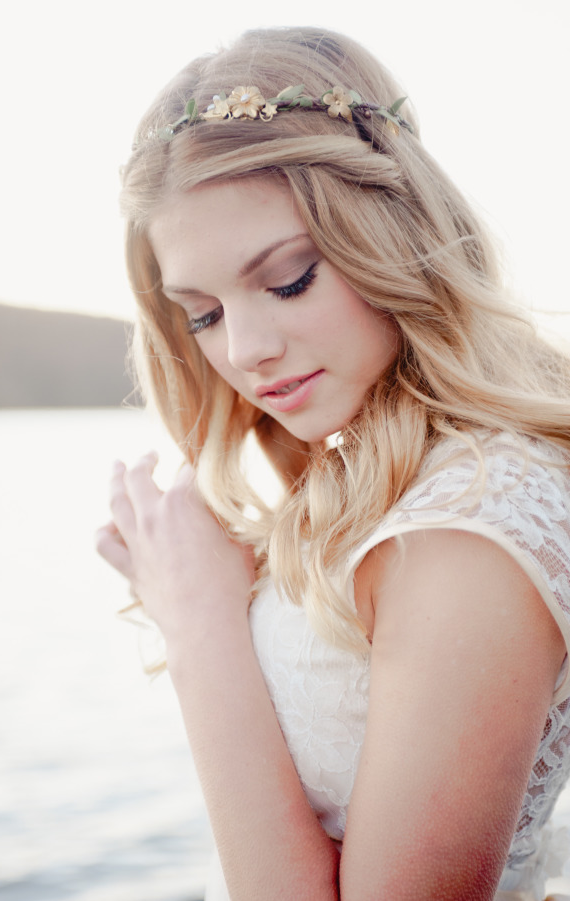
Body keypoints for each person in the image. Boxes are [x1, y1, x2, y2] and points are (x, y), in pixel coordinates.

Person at [95, 26, 570, 901]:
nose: (245, 350)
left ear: (388, 234)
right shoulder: (401, 485)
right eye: (202, 314)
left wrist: (201, 628)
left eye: (286, 281)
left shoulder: (469, 523)